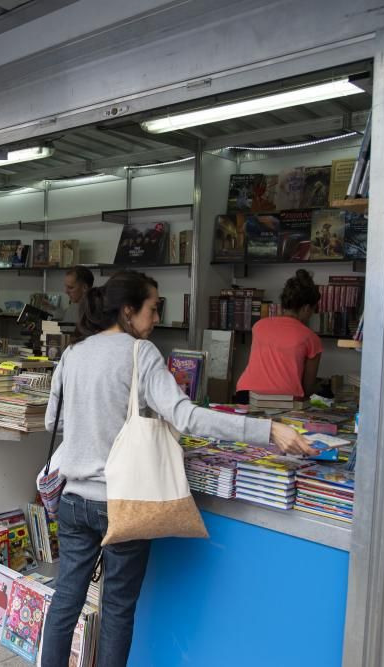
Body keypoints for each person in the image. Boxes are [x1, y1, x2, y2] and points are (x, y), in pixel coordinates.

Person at [39, 271, 315, 667]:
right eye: (153, 309)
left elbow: (54, 422)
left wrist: (96, 422)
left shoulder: (72, 353)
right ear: (129, 310)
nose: (155, 319)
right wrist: (267, 429)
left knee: (66, 600)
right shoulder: (140, 353)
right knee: (117, 608)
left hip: (72, 500)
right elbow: (186, 418)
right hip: (123, 502)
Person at [236, 269, 323, 402]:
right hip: (285, 400)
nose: (312, 313)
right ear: (306, 308)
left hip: (245, 394)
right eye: (313, 309)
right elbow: (307, 388)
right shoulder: (311, 338)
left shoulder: (259, 326)